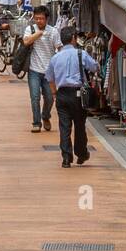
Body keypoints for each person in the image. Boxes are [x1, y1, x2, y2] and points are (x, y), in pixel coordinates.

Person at [46, 25, 98, 167]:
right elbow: (94, 67)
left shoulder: (55, 58)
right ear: (73, 39)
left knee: (64, 127)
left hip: (62, 94)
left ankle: (66, 158)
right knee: (80, 125)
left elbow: (49, 77)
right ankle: (81, 154)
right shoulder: (81, 54)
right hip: (78, 95)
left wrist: (55, 93)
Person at [22, 5, 62, 133]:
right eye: (36, 18)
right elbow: (26, 42)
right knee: (35, 97)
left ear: (47, 19)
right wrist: (38, 34)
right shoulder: (30, 29)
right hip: (34, 69)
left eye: (41, 19)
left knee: (50, 98)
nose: (39, 21)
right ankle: (36, 122)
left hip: (49, 72)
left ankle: (45, 116)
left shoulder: (54, 31)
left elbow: (59, 48)